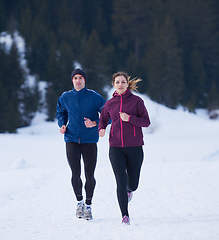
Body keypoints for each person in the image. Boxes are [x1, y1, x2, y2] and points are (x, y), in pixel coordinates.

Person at [98, 71, 150, 225]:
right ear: (113, 85)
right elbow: (103, 120)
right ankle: (124, 216)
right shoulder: (110, 104)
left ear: (127, 84)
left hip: (135, 147)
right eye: (117, 82)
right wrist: (101, 129)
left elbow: (146, 122)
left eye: (123, 82)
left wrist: (130, 119)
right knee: (120, 181)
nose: (120, 84)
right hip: (115, 148)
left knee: (132, 184)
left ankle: (129, 191)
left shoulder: (137, 102)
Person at [56, 68, 106, 220]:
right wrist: (62, 124)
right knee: (75, 173)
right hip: (71, 139)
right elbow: (61, 111)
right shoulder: (65, 97)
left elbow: (107, 115)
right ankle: (80, 203)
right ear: (72, 80)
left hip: (89, 140)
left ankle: (89, 206)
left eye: (81, 78)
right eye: (75, 78)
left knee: (89, 174)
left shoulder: (94, 97)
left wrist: (95, 123)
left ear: (85, 80)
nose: (78, 80)